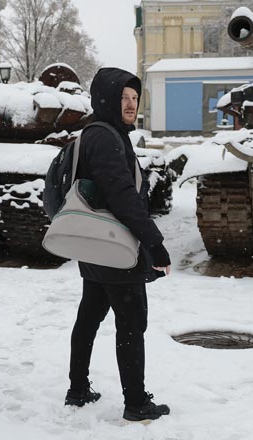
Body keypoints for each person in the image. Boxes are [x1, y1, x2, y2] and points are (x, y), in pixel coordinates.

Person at [64, 67, 172, 422]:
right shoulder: (107, 138)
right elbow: (123, 197)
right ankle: (136, 402)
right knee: (131, 323)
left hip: (95, 242)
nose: (130, 105)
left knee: (89, 316)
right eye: (123, 98)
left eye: (134, 98)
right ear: (106, 100)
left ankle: (78, 389)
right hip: (113, 246)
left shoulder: (96, 133)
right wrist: (154, 243)